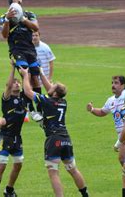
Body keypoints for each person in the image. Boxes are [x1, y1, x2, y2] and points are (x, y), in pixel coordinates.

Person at [19, 67, 89, 197]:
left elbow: (28, 91)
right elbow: (50, 88)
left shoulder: (47, 101)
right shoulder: (63, 102)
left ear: (55, 93)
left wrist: (25, 76)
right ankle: (85, 194)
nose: (50, 85)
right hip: (66, 138)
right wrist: (40, 73)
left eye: (53, 86)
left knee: (53, 172)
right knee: (73, 169)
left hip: (54, 138)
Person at [0, 0, 42, 122]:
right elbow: (5, 35)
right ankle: (30, 108)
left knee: (35, 79)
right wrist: (7, 19)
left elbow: (36, 28)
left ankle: (40, 109)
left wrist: (23, 19)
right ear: (11, 2)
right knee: (26, 75)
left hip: (30, 49)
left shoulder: (29, 14)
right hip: (17, 49)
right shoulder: (5, 16)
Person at [0, 64, 28, 197]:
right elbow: (7, 86)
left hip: (17, 137)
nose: (16, 84)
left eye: (18, 82)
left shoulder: (24, 99)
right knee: (2, 164)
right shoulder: (6, 99)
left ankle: (9, 190)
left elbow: (28, 86)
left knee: (18, 164)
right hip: (5, 136)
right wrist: (13, 68)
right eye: (14, 83)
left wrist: (25, 75)